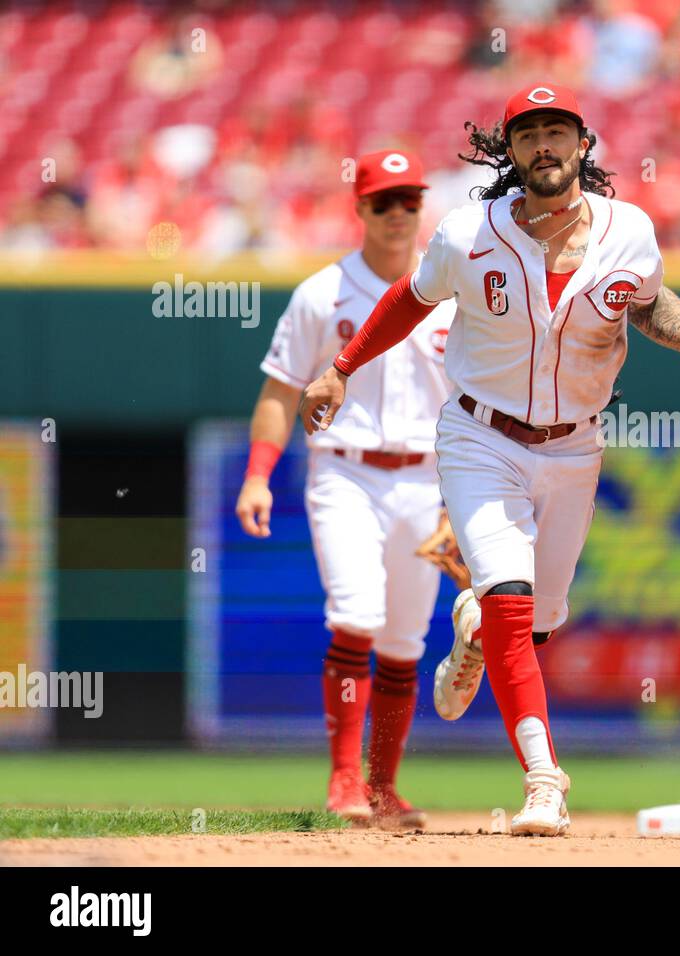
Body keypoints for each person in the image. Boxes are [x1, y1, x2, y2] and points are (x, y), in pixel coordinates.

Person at [297, 84, 680, 835]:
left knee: (540, 619)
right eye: (528, 134)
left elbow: (649, 307)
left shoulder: (630, 231)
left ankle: (474, 627)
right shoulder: (466, 232)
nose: (544, 145)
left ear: (583, 144)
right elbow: (412, 300)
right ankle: (544, 780)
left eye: (558, 130)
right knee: (516, 609)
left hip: (575, 445)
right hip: (480, 438)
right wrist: (342, 368)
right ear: (507, 151)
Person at [235, 150, 479, 827]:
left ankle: (382, 787)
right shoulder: (323, 292)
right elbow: (280, 390)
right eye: (384, 202)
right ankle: (344, 778)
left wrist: (459, 501)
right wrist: (257, 473)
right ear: (360, 209)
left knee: (403, 642)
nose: (399, 213)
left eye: (410, 200)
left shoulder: (452, 293)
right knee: (356, 613)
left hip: (427, 480)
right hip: (344, 471)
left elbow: (474, 403)